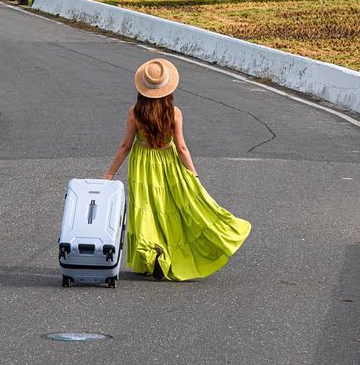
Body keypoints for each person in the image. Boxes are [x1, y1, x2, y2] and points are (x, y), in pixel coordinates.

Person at [104, 57, 251, 281]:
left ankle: (152, 252)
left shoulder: (135, 112)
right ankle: (170, 252)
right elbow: (181, 147)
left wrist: (109, 174)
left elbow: (125, 146)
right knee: (170, 207)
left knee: (145, 209)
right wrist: (193, 174)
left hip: (142, 163)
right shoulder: (174, 113)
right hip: (168, 161)